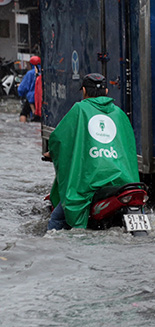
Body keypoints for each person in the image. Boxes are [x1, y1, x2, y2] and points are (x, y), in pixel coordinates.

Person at [46, 73, 139, 230]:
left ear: (83, 91)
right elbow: (129, 147)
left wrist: (51, 152)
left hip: (89, 182)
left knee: (57, 218)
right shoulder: (119, 113)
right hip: (121, 180)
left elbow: (59, 139)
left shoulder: (79, 109)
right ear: (107, 92)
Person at [18, 56, 41, 122]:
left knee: (23, 113)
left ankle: (23, 127)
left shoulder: (30, 73)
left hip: (32, 98)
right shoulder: (43, 71)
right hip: (41, 98)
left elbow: (21, 89)